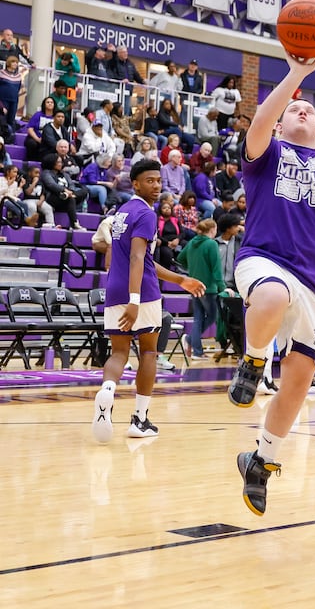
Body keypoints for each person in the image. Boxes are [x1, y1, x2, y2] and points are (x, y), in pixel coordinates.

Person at [227, 54, 315, 516]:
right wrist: (298, 75)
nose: (303, 112)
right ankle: (252, 360)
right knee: (271, 295)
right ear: (281, 125)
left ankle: (261, 462)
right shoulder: (268, 154)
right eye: (295, 111)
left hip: (314, 286)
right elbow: (261, 118)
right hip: (264, 260)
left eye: (311, 113)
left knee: (299, 383)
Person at [91, 159, 206, 443]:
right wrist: (134, 300)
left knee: (118, 353)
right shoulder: (146, 213)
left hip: (115, 288)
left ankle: (107, 389)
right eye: (150, 181)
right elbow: (138, 258)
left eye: (158, 181)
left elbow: (145, 260)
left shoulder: (122, 212)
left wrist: (181, 280)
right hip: (139, 292)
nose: (157, 186)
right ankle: (139, 420)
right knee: (149, 353)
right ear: (136, 183)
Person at [178, 218, 235, 360]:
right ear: (212, 230)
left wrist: (192, 269)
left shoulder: (191, 243)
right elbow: (216, 268)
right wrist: (223, 287)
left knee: (198, 317)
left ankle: (194, 345)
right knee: (212, 317)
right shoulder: (211, 244)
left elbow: (180, 258)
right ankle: (193, 345)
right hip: (208, 288)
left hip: (194, 286)